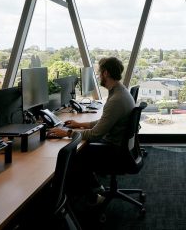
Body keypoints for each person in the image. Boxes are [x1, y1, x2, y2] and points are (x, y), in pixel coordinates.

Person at [48, 56, 135, 203]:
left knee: (75, 155)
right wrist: (81, 124)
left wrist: (66, 133)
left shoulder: (116, 99)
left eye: (100, 72)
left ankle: (92, 197)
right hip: (121, 146)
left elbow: (95, 135)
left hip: (115, 151)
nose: (99, 76)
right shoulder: (119, 92)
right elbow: (105, 122)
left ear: (106, 73)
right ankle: (95, 187)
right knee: (81, 150)